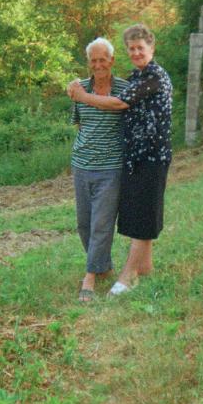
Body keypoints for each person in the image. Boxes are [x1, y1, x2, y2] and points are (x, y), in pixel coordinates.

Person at [68, 24, 172, 296]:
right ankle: (141, 266)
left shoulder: (151, 77)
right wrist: (79, 93)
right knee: (132, 215)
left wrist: (83, 96)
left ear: (152, 48)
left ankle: (114, 276)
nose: (136, 52)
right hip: (128, 159)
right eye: (132, 48)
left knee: (129, 219)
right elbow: (80, 125)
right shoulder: (136, 77)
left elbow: (119, 104)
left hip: (149, 156)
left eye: (141, 47)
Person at [70, 37, 128, 302]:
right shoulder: (78, 89)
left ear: (112, 60)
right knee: (84, 224)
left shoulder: (124, 88)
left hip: (111, 168)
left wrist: (86, 97)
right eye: (93, 60)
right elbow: (79, 125)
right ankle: (104, 267)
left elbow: (122, 111)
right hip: (82, 166)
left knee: (101, 225)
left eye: (102, 59)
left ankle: (90, 277)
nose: (98, 64)